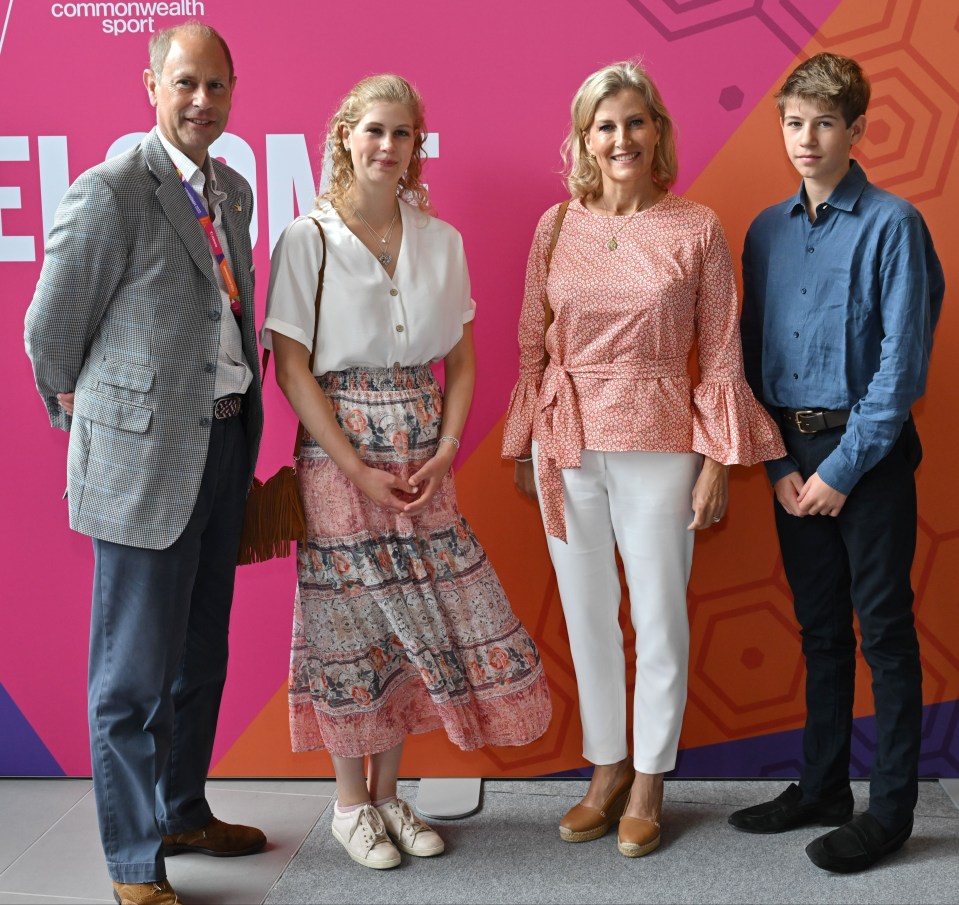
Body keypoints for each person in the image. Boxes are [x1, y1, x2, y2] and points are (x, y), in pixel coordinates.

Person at [262, 73, 552, 871]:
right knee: (348, 623)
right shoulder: (306, 238)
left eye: (403, 134)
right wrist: (353, 464)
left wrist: (450, 442)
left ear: (417, 146)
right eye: (374, 131)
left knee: (413, 623)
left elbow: (459, 359)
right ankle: (351, 803)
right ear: (344, 136)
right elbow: (291, 368)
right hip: (337, 447)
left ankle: (390, 796)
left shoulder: (440, 239)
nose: (388, 147)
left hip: (423, 446)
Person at [502, 60, 785, 858]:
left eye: (633, 121)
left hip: (661, 441)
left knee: (658, 616)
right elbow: (530, 342)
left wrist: (714, 464)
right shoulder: (555, 226)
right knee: (588, 616)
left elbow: (723, 355)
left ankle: (652, 777)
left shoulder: (696, 227)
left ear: (656, 129)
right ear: (583, 139)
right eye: (604, 125)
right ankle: (606, 769)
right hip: (567, 441)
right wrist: (525, 441)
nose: (620, 138)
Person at [24, 21, 266, 905]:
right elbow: (49, 334)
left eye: (217, 85)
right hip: (143, 463)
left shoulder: (231, 191)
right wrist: (91, 424)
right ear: (151, 86)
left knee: (198, 656)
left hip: (224, 445)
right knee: (130, 675)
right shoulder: (113, 190)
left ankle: (183, 809)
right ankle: (135, 861)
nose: (202, 101)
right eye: (186, 84)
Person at [731, 53, 944, 874]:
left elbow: (901, 371)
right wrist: (778, 460)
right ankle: (821, 785)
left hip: (869, 457)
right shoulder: (764, 230)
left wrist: (840, 471)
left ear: (856, 130)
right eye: (793, 122)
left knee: (883, 633)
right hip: (791, 457)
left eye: (824, 122)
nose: (806, 138)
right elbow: (748, 359)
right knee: (819, 631)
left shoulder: (893, 224)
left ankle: (890, 810)